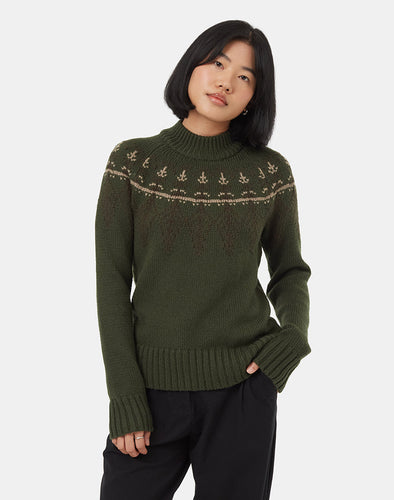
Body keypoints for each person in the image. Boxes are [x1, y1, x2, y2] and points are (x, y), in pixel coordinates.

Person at [95, 19, 312, 500]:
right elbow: (111, 283)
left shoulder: (269, 173)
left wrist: (294, 336)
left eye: (245, 76)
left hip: (243, 389)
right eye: (218, 63)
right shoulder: (133, 163)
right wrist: (125, 397)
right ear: (191, 66)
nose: (226, 82)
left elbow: (289, 271)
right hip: (150, 394)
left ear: (254, 96)